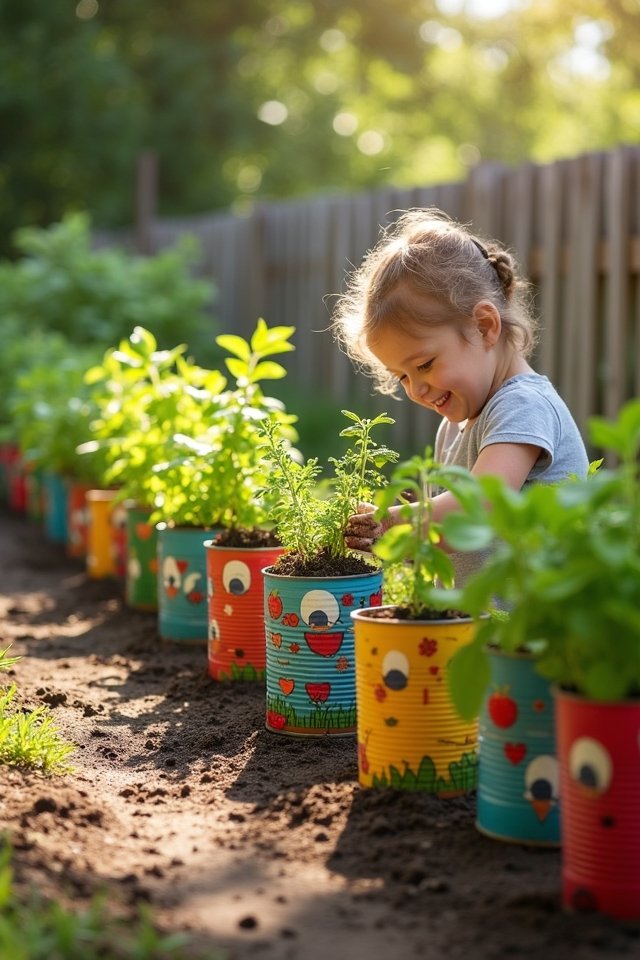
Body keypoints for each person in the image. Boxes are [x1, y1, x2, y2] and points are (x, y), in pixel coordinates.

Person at [332, 208, 589, 584]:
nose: (416, 389)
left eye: (424, 364)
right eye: (400, 376)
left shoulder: (523, 406)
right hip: (471, 631)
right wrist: (404, 539)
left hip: (528, 634)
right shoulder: (457, 427)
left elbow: (477, 508)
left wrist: (394, 522)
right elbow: (450, 543)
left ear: (484, 326)